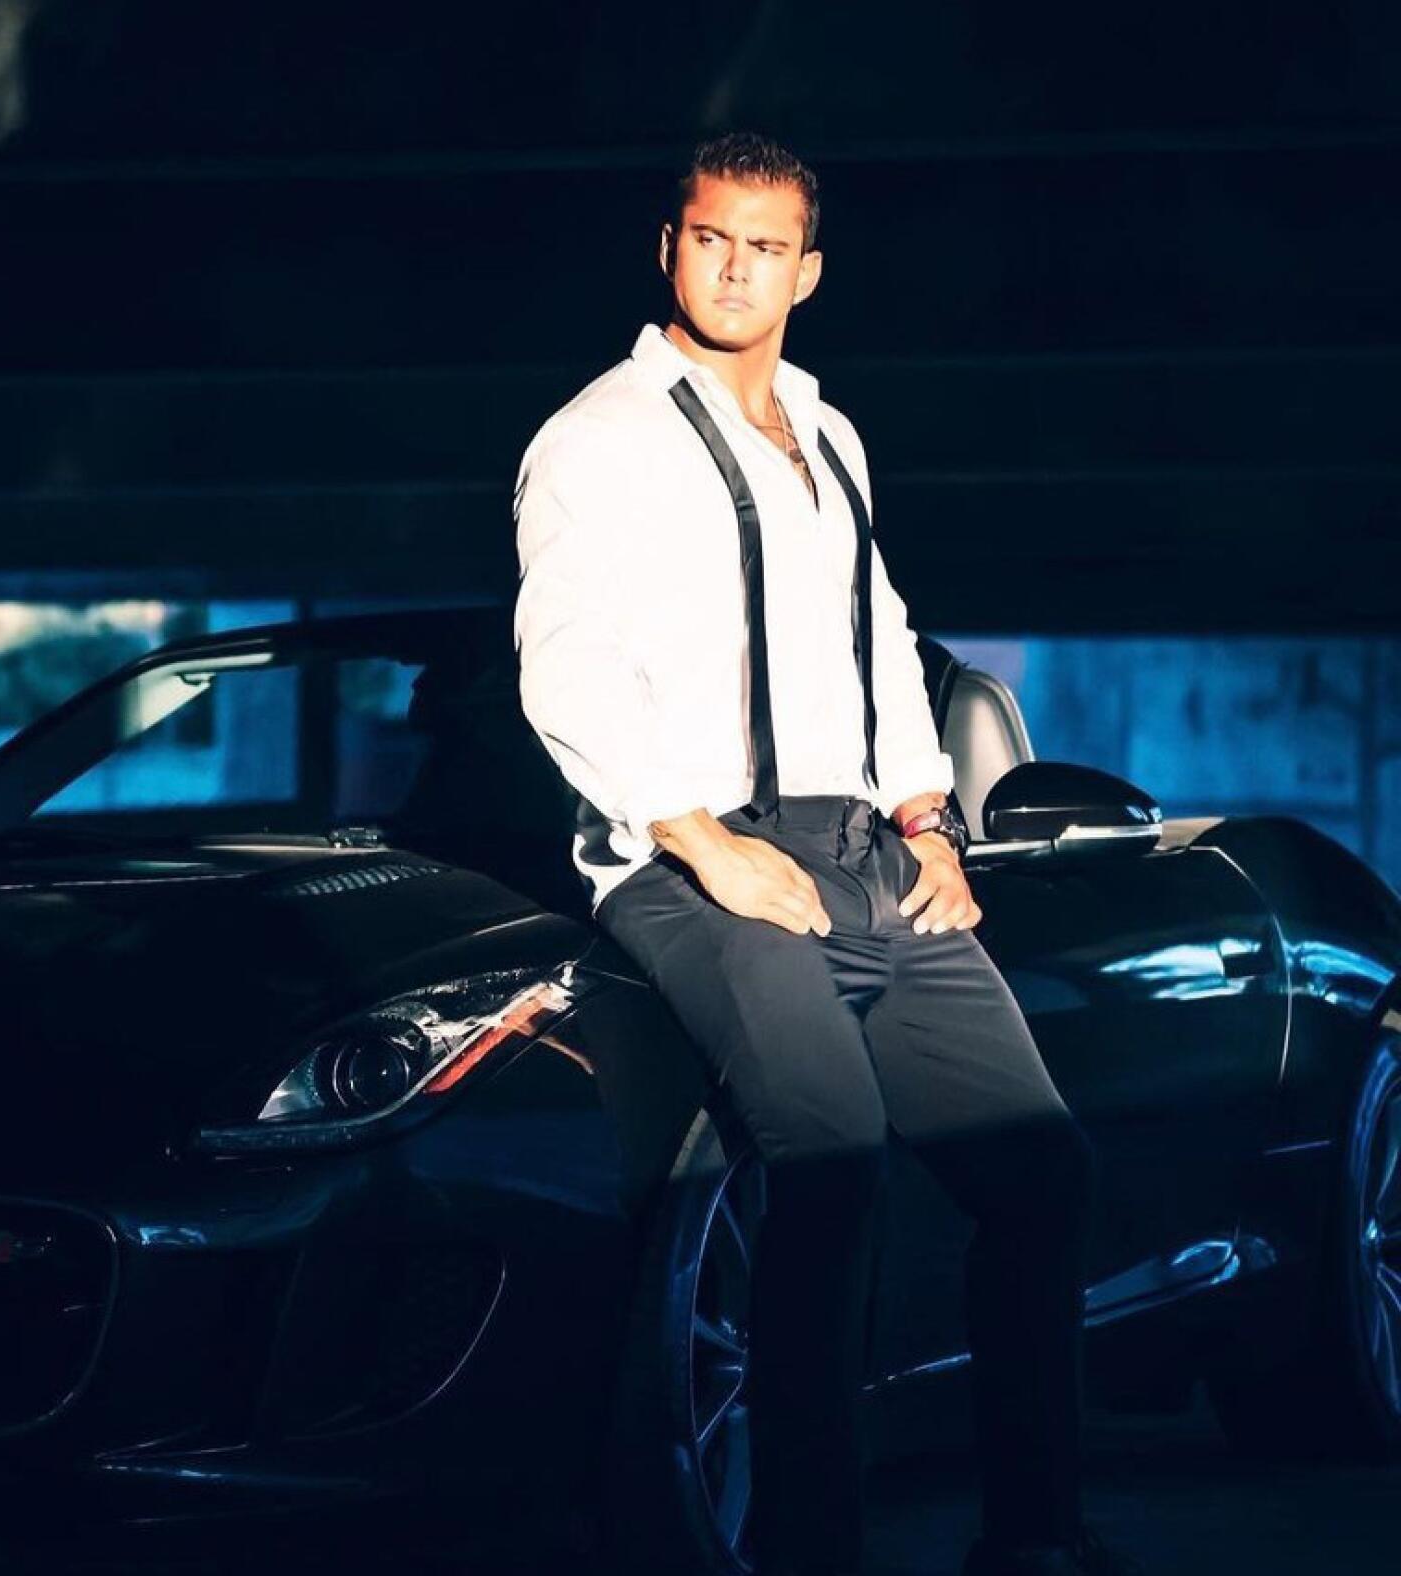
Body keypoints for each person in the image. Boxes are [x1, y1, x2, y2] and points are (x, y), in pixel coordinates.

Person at [510, 132, 1136, 1576]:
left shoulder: (828, 430)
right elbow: (568, 670)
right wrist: (699, 843)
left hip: (870, 856)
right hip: (700, 861)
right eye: (711, 239)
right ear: (669, 245)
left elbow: (885, 650)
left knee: (1042, 1176)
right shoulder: (593, 439)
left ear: (810, 269)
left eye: (767, 246)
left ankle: (1036, 1541)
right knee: (834, 1168)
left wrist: (929, 819)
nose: (737, 268)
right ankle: (809, 1551)